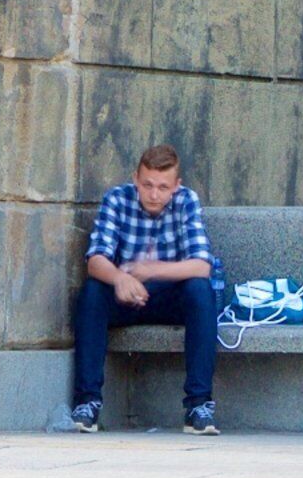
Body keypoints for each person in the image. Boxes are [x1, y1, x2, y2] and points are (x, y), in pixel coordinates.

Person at [68, 143, 220, 434]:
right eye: (147, 184)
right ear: (135, 178)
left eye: (163, 187)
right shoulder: (117, 199)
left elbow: (202, 265)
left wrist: (151, 269)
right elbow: (96, 259)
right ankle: (87, 402)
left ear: (176, 186)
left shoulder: (187, 201)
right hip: (124, 296)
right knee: (91, 293)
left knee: (201, 291)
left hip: (168, 297)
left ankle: (198, 406)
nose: (154, 194)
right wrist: (120, 278)